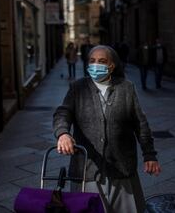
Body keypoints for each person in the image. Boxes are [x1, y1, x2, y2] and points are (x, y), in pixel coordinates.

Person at [53, 45, 161, 213]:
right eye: (92, 61)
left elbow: (140, 124)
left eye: (102, 61)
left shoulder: (126, 88)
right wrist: (63, 133)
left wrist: (149, 155)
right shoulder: (78, 88)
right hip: (87, 169)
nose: (96, 65)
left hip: (122, 168)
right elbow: (63, 113)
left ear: (111, 65)